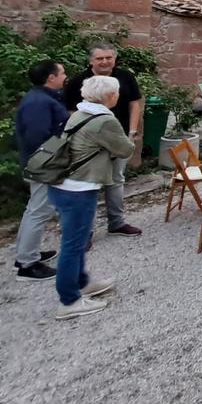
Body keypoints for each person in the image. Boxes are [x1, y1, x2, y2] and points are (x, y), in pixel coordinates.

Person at [48, 75, 135, 319]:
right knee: (73, 245)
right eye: (116, 92)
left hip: (63, 183)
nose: (118, 95)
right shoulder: (105, 120)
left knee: (74, 240)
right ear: (110, 96)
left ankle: (81, 282)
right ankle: (69, 301)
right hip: (79, 187)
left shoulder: (79, 113)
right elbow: (125, 149)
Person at [63, 42, 143, 236]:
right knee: (90, 185)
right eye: (100, 58)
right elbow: (71, 111)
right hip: (91, 144)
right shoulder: (79, 81)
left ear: (114, 59)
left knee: (116, 181)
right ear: (91, 60)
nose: (105, 62)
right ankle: (85, 232)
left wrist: (132, 133)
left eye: (109, 58)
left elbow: (135, 104)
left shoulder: (125, 77)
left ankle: (116, 222)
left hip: (119, 136)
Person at [13, 59, 68, 281]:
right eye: (62, 73)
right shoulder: (39, 103)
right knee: (40, 210)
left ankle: (27, 254)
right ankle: (27, 265)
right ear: (51, 78)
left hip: (42, 163)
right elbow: (38, 138)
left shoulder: (43, 98)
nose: (65, 76)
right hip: (44, 164)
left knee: (35, 208)